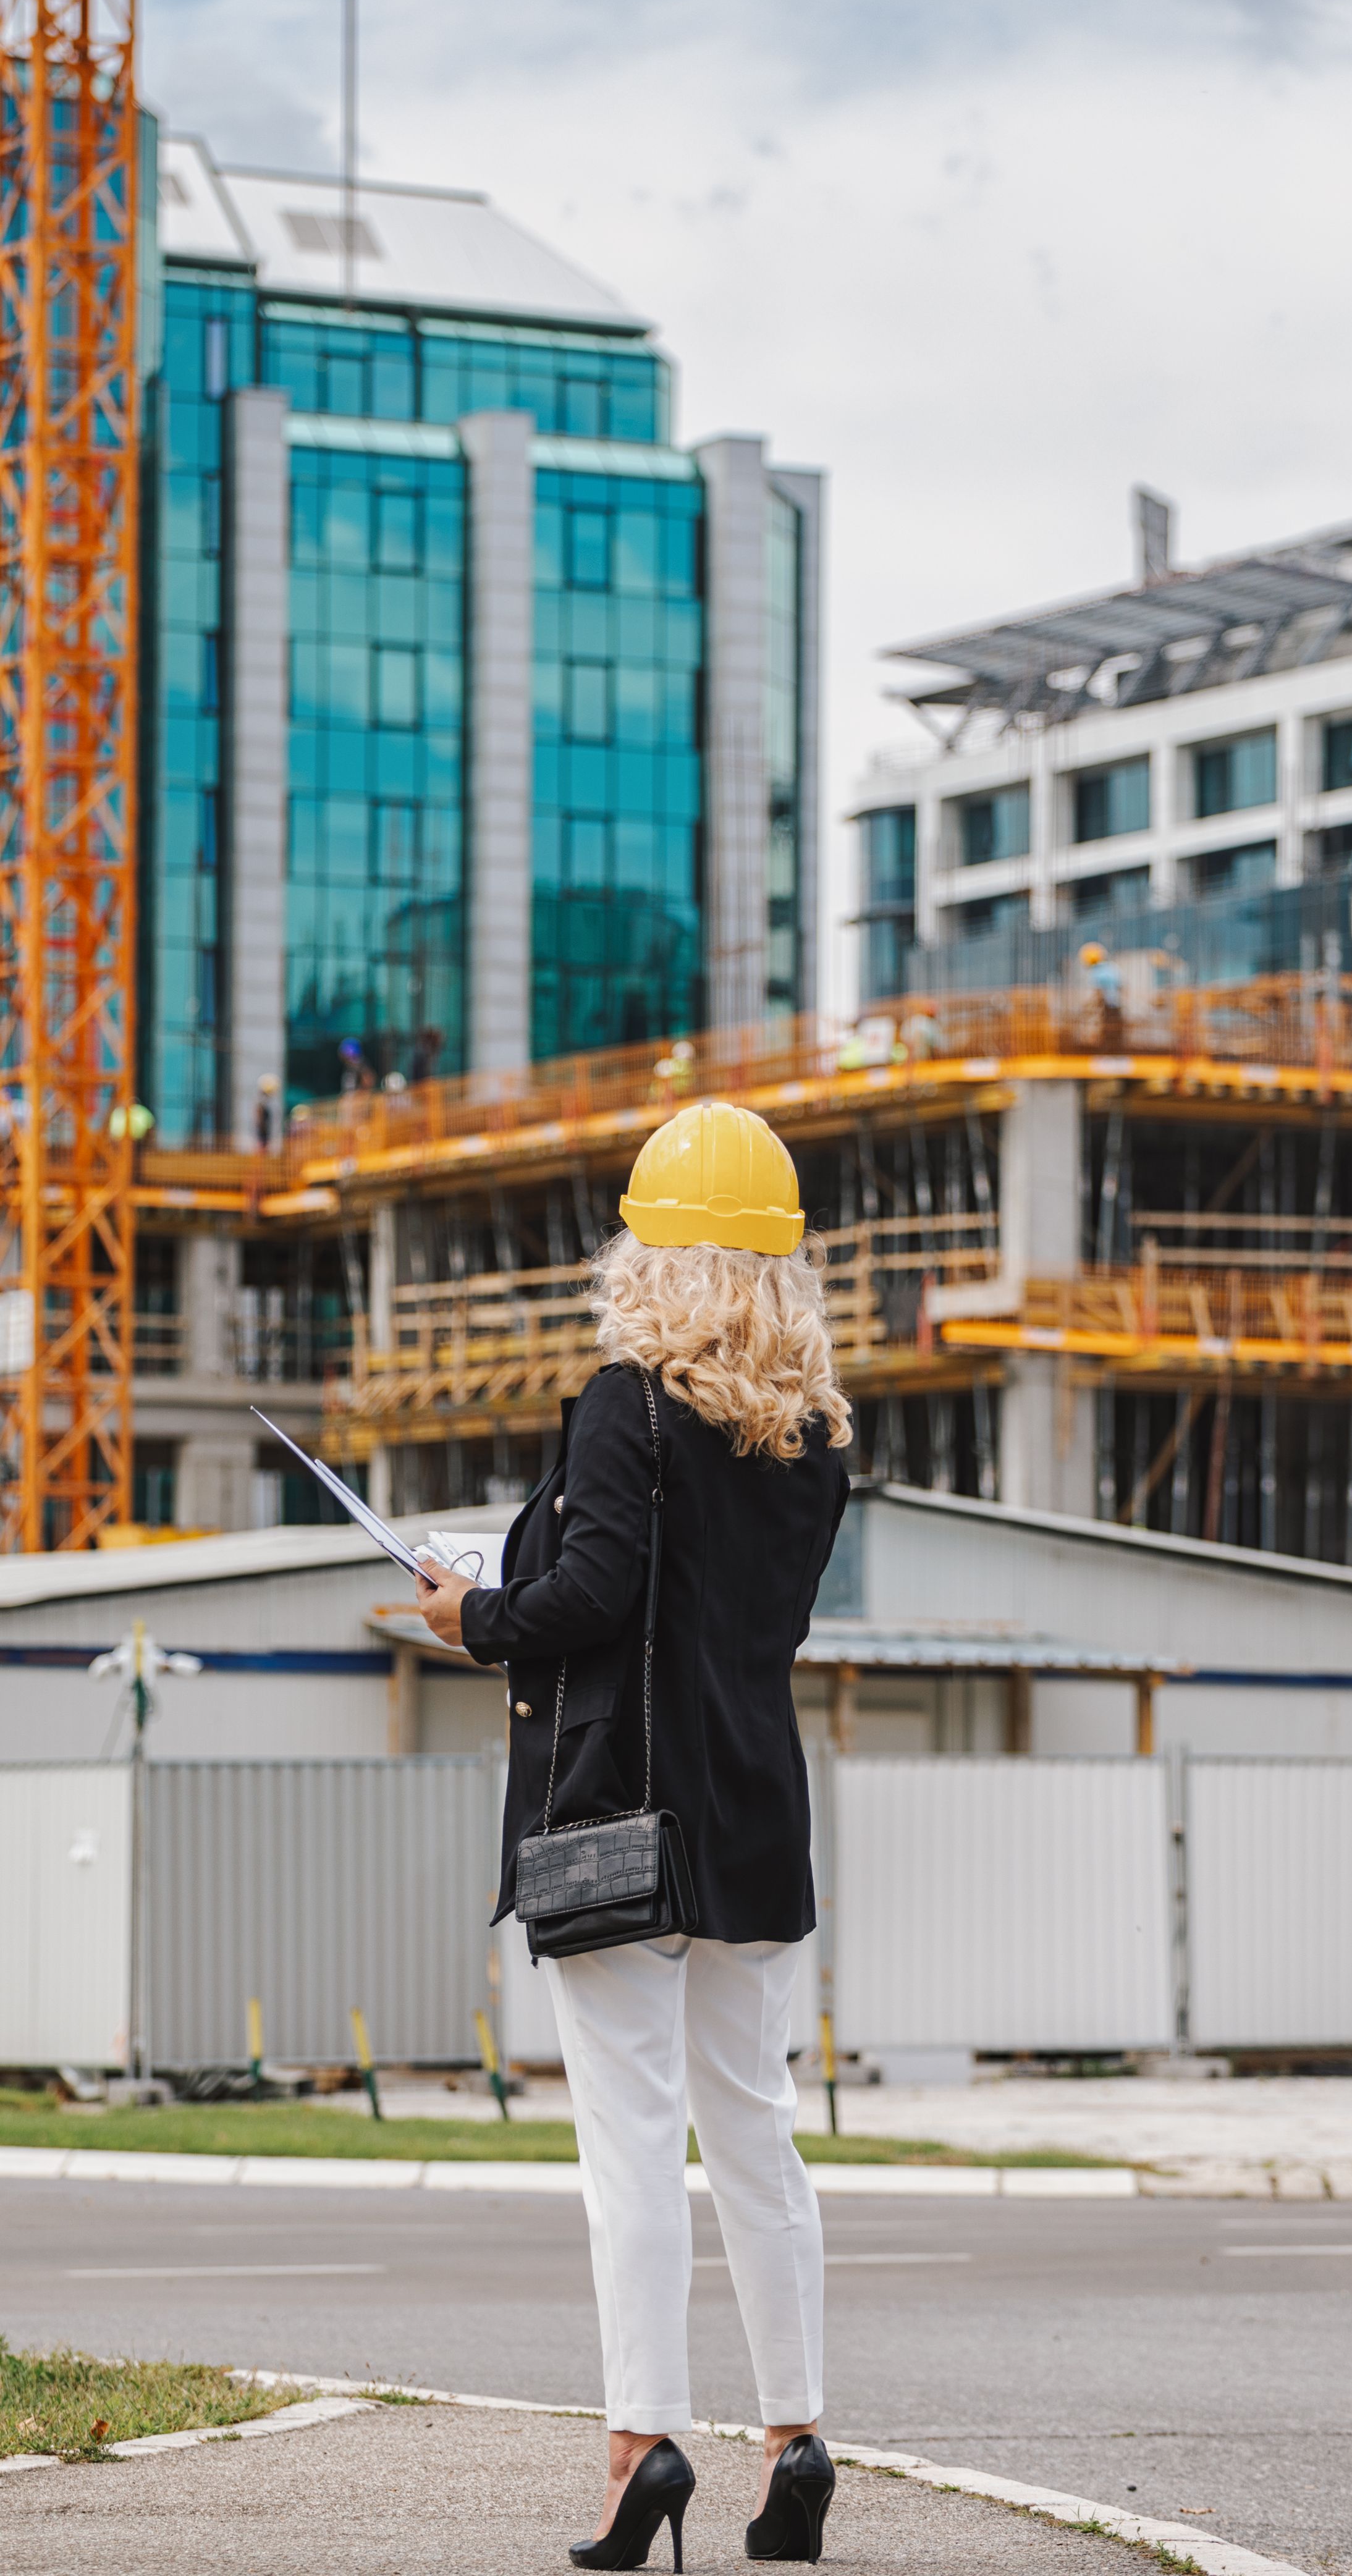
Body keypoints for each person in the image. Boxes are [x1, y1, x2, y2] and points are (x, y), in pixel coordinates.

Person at [413, 1100, 850, 2569]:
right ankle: (794, 2440)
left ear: (648, 1255)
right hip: (754, 1827)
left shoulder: (626, 1407)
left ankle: (639, 2443)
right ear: (781, 1267)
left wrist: (474, 1611)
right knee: (755, 2141)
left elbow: (593, 1597)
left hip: (621, 1821)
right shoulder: (811, 1442)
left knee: (631, 2149)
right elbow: (711, 1611)